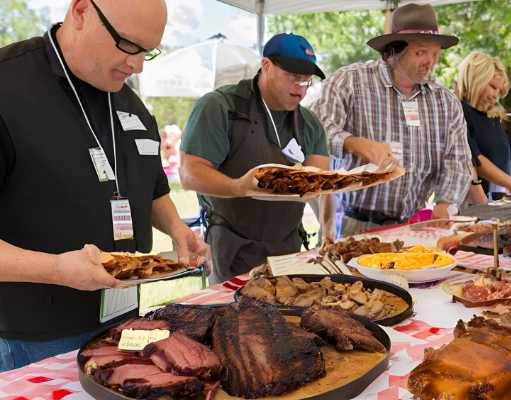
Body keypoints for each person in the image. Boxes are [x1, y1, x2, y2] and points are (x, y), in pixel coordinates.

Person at [0, 0, 207, 371]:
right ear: (81, 12)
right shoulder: (8, 87)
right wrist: (56, 269)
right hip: (31, 338)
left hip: (124, 317)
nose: (138, 64)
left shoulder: (130, 102)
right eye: (128, 44)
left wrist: (178, 230)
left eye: (148, 51)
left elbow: (153, 185)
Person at [179, 33, 334, 282]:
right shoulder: (221, 107)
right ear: (266, 66)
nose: (300, 89)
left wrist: (327, 228)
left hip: (288, 249)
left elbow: (322, 182)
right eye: (294, 77)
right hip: (232, 247)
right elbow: (190, 173)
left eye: (306, 82)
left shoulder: (309, 124)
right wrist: (239, 187)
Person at [311, 3, 473, 236]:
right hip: (355, 225)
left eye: (435, 54)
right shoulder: (351, 81)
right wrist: (356, 143)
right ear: (393, 51)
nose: (430, 61)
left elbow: (458, 161)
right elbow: (316, 131)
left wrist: (446, 203)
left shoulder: (445, 101)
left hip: (412, 226)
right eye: (421, 52)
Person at [455, 51, 511, 199]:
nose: (495, 94)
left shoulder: (494, 117)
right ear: (475, 79)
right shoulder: (459, 111)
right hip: (473, 201)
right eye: (492, 87)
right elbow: (475, 159)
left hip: (498, 198)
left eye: (499, 90)